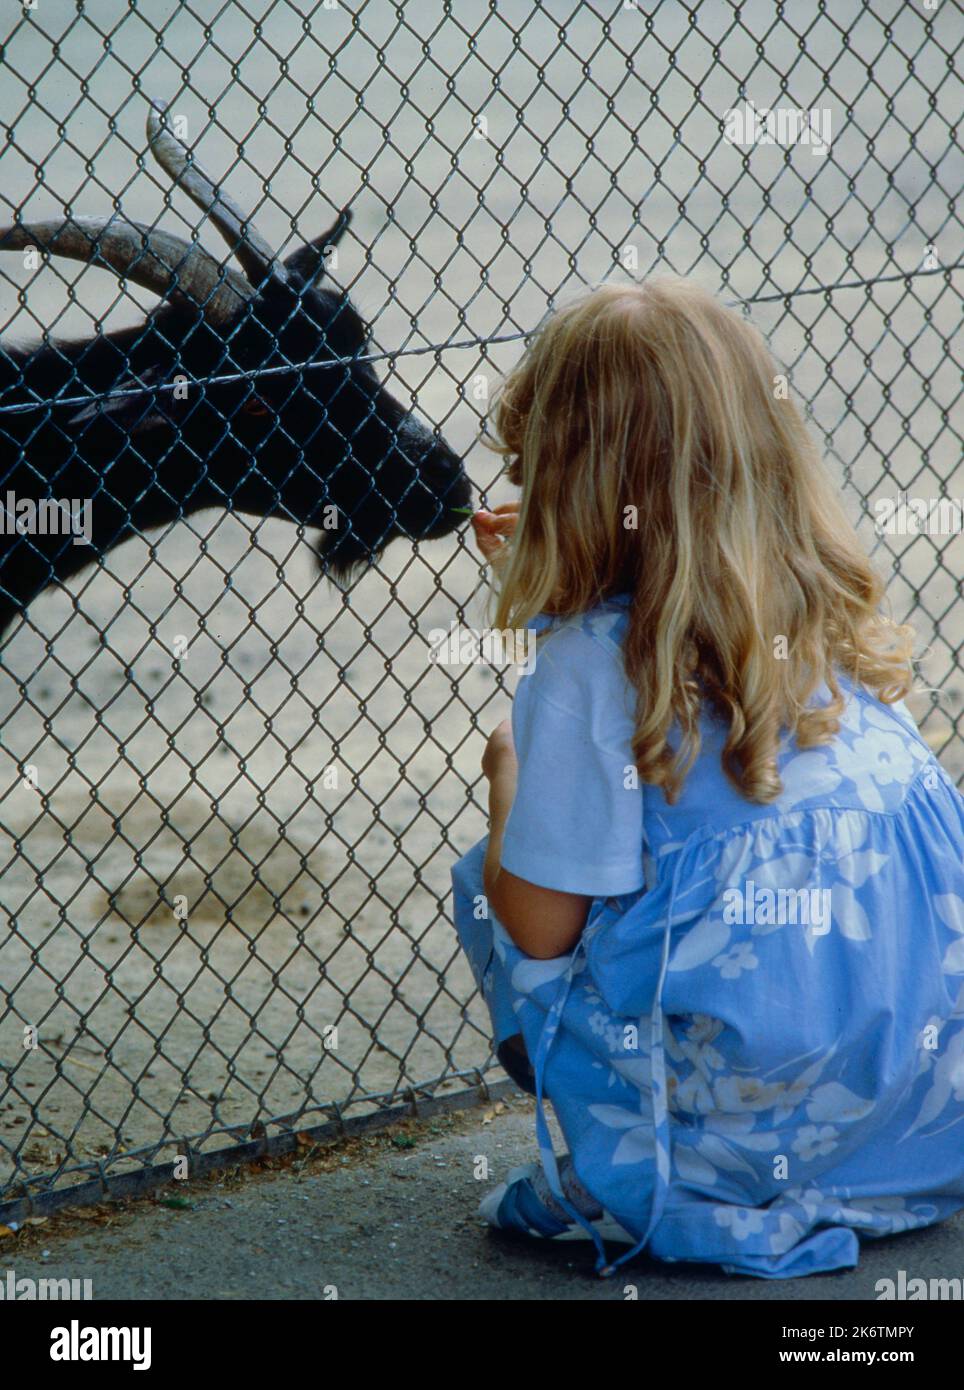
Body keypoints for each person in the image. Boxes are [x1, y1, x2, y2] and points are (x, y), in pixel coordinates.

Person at [450, 276, 964, 1280]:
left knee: (493, 875)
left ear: (561, 481)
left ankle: (640, 1163)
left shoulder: (584, 673)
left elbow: (540, 925)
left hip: (743, 1135)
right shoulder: (820, 612)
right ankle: (838, 1162)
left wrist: (507, 776)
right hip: (916, 1113)